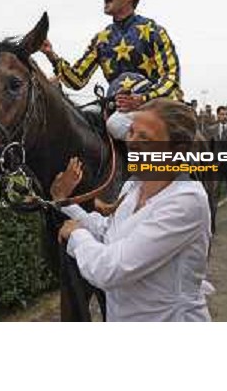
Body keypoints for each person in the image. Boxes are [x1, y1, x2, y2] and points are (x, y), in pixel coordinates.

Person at [54, 98, 212, 322]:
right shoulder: (133, 185)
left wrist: (76, 235)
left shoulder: (186, 201)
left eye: (145, 139)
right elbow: (109, 231)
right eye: (132, 133)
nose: (132, 143)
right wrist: (64, 202)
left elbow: (110, 270)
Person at [40, 0, 182, 139]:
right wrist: (51, 54)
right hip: (117, 107)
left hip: (156, 109)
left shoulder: (153, 31)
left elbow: (171, 79)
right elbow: (76, 80)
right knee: (81, 119)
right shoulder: (101, 39)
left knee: (115, 125)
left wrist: (142, 98)